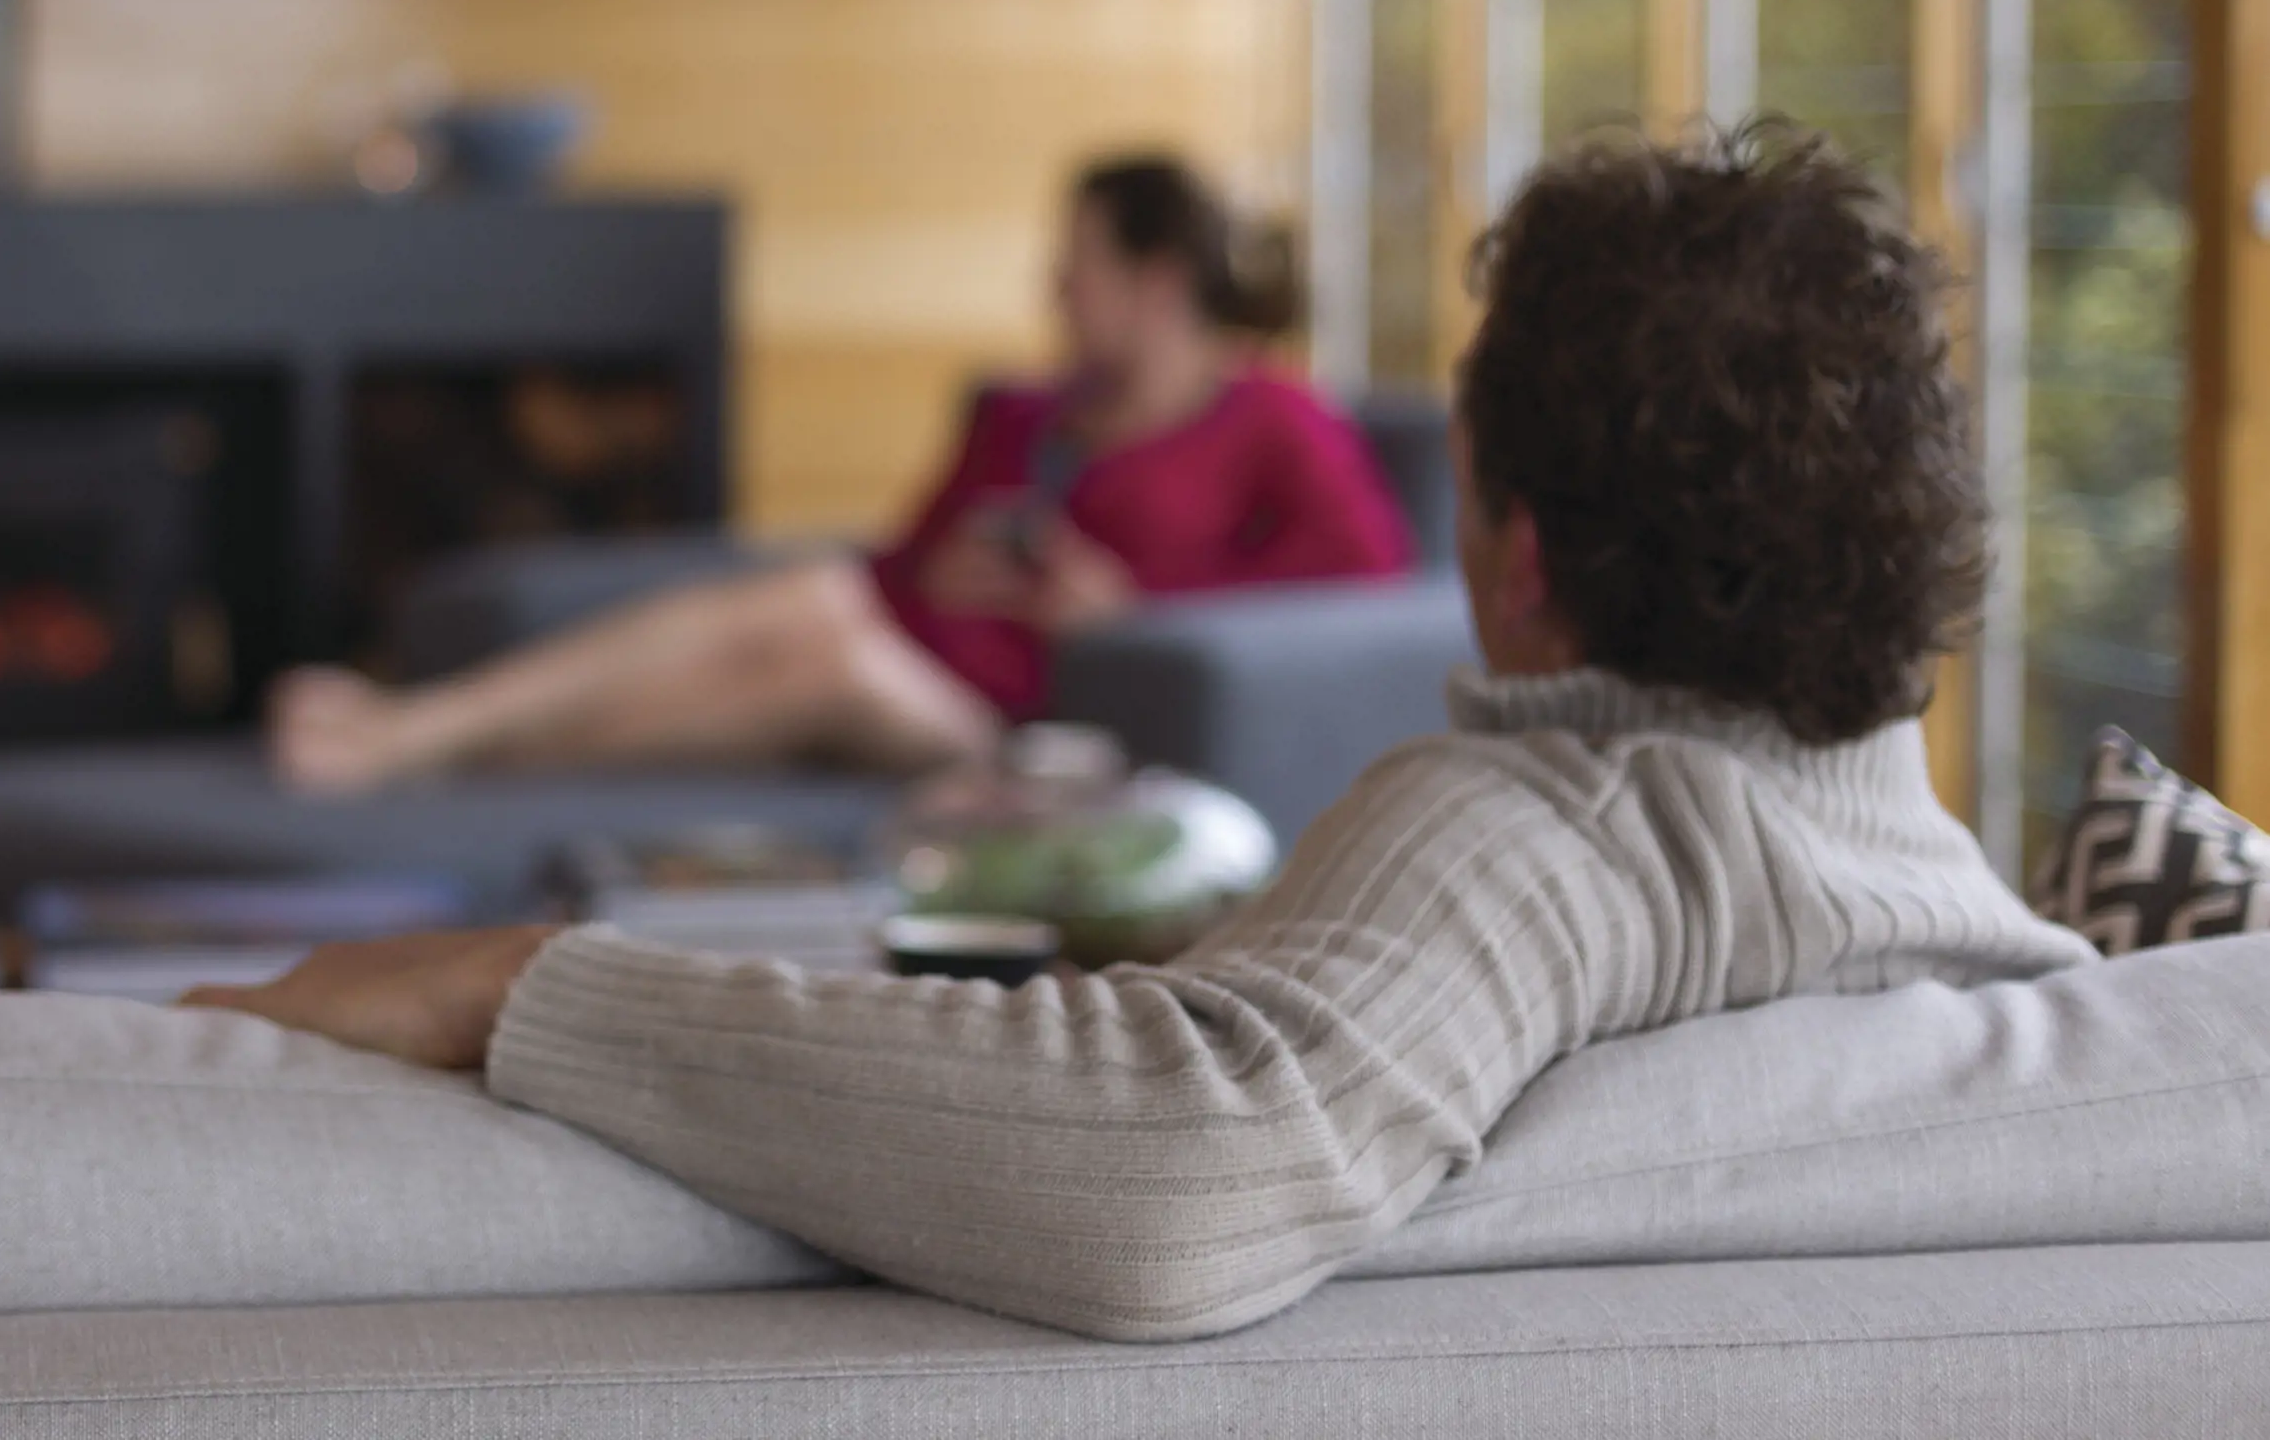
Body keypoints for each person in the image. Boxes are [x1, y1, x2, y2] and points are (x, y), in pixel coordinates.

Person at [188, 124, 2095, 1341]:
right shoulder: (2023, 958)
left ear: (1516, 555)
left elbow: (1173, 1162)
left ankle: (405, 746)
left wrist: (517, 989)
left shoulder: (1550, 841)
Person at [269, 155, 1417, 792]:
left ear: (1157, 281)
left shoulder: (1270, 415)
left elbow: (1368, 585)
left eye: (1074, 268)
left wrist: (1123, 614)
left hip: (1026, 725)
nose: (1052, 290)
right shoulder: (1030, 411)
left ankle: (420, 735)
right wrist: (959, 565)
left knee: (829, 630)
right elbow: (900, 562)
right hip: (907, 661)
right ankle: (439, 739)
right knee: (818, 610)